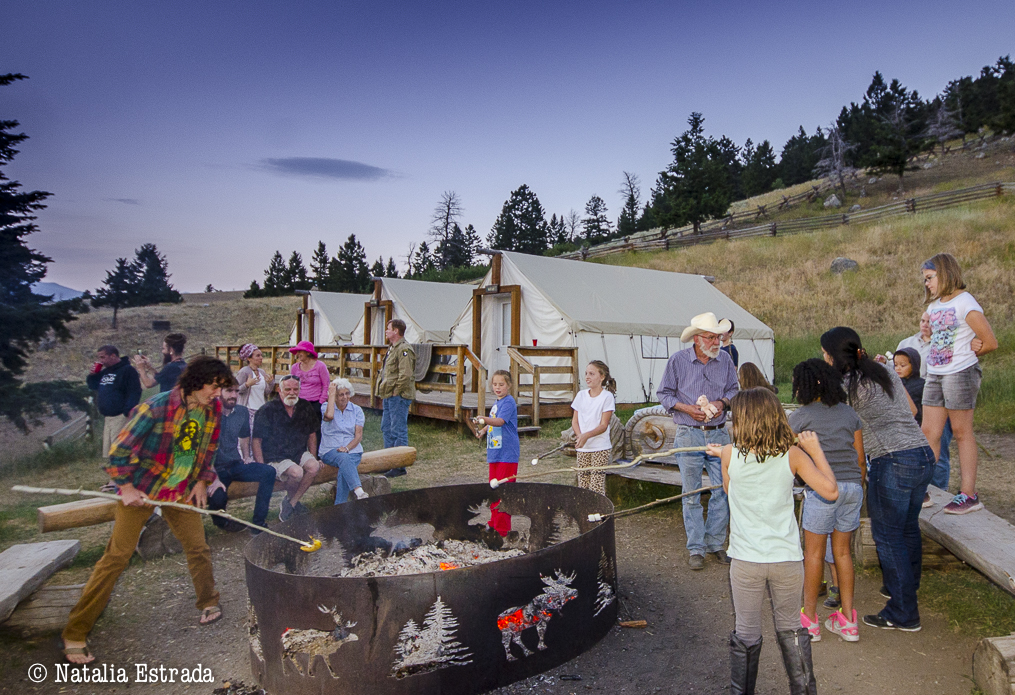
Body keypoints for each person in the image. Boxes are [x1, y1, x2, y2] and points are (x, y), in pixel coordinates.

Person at [62, 357, 234, 664]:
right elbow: (118, 451)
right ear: (195, 382)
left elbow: (208, 447)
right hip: (142, 487)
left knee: (197, 547)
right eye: (214, 387)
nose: (218, 394)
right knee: (116, 557)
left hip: (180, 489)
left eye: (222, 389)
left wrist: (200, 480)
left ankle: (208, 601)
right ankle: (75, 632)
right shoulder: (155, 407)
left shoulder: (214, 409)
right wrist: (126, 488)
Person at [706, 388, 837, 695]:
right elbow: (831, 491)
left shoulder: (728, 454)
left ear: (743, 421)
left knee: (746, 634)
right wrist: (816, 451)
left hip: (746, 562)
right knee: (792, 629)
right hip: (787, 560)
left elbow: (728, 491)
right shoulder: (793, 456)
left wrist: (723, 455)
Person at [821, 326, 934, 632]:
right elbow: (911, 410)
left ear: (832, 356)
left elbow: (837, 424)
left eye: (824, 353)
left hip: (893, 460)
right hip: (922, 453)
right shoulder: (884, 370)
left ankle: (903, 612)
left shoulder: (845, 386)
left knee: (887, 537)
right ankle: (905, 588)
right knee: (908, 528)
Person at [789, 359, 864, 644]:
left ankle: (809, 621)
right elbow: (859, 458)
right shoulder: (849, 414)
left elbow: (787, 454)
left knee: (814, 555)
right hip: (852, 489)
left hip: (822, 490)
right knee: (843, 554)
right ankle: (848, 622)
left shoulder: (799, 417)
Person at [657, 312, 739, 570]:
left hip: (718, 433)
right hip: (689, 433)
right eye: (711, 337)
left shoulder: (725, 360)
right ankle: (696, 548)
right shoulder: (678, 361)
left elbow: (734, 391)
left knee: (722, 490)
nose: (717, 341)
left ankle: (715, 544)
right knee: (691, 493)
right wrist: (685, 408)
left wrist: (721, 403)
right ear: (697, 338)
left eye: (718, 337)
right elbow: (664, 394)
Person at [920, 253, 998, 515]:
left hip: (960, 373)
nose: (927, 284)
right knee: (928, 431)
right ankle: (922, 488)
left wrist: (976, 349)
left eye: (930, 278)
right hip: (935, 373)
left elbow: (990, 341)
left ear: (945, 273)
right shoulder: (934, 306)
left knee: (961, 432)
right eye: (925, 280)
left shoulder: (966, 303)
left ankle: (968, 494)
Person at [205, 382, 277, 533]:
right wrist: (213, 478)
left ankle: (258, 524)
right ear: (219, 392)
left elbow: (244, 435)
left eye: (236, 391)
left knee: (269, 472)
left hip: (235, 464)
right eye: (229, 391)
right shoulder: (208, 414)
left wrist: (246, 456)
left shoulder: (241, 411)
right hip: (215, 468)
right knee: (217, 497)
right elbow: (203, 450)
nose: (233, 395)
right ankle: (223, 524)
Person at [252, 375, 323, 521]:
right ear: (279, 390)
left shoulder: (305, 407)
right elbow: (256, 440)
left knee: (314, 466)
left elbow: (312, 435)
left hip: (298, 452)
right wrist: (260, 467)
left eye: (295, 389)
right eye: (288, 389)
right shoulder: (267, 410)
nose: (292, 393)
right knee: (296, 473)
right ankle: (293, 503)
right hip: (275, 456)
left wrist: (313, 456)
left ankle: (291, 502)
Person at [897, 312, 953, 493]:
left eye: (930, 322)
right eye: (922, 320)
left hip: (938, 398)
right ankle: (923, 488)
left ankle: (940, 489)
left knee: (940, 446)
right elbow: (896, 366)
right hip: (910, 396)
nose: (925, 325)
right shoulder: (906, 343)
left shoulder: (944, 344)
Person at [475, 370, 519, 535]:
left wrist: (484, 419)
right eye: (495, 384)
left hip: (507, 453)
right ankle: (493, 523)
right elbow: (494, 421)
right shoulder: (497, 403)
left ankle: (502, 529)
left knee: (504, 491)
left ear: (509, 385)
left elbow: (500, 421)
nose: (498, 387)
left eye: (501, 384)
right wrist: (484, 430)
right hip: (495, 452)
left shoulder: (508, 403)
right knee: (493, 488)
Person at [87, 345, 142, 459]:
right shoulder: (106, 372)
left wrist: (127, 411)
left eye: (103, 357)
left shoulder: (128, 370)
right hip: (108, 417)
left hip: (120, 416)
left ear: (113, 356)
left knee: (119, 451)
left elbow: (134, 391)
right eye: (99, 358)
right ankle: (114, 474)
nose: (101, 361)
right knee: (109, 452)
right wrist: (92, 376)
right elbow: (93, 386)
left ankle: (123, 473)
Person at [571, 361, 617, 496]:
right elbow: (575, 421)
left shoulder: (607, 397)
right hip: (583, 447)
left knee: (596, 485)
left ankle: (598, 515)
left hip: (599, 447)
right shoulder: (581, 395)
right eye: (586, 374)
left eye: (592, 374)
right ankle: (584, 514)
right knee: (583, 485)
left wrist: (587, 435)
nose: (587, 377)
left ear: (601, 377)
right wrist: (580, 436)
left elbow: (603, 425)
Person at [320, 378, 369, 504]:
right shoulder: (325, 407)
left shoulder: (357, 410)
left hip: (353, 451)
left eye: (347, 393)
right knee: (344, 459)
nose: (345, 397)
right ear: (334, 396)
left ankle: (339, 506)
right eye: (340, 394)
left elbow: (358, 436)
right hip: (330, 450)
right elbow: (329, 416)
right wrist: (331, 394)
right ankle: (359, 492)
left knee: (344, 468)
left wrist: (347, 448)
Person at [377, 319, 415, 478]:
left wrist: (396, 391)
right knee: (386, 427)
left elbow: (405, 375)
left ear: (396, 331)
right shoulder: (392, 348)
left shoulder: (404, 349)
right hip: (388, 394)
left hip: (398, 395)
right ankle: (389, 462)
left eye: (388, 329)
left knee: (397, 429)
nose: (386, 331)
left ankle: (399, 465)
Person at [236, 343, 274, 430]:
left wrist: (270, 383)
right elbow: (235, 390)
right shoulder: (244, 372)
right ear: (249, 358)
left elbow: (267, 392)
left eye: (261, 355)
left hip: (261, 410)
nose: (261, 358)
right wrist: (247, 385)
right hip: (248, 410)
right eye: (257, 356)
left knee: (260, 438)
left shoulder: (262, 372)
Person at [893, 347, 925, 425]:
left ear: (913, 365)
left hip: (917, 424)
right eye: (896, 365)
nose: (898, 368)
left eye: (903, 365)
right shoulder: (894, 383)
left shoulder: (922, 385)